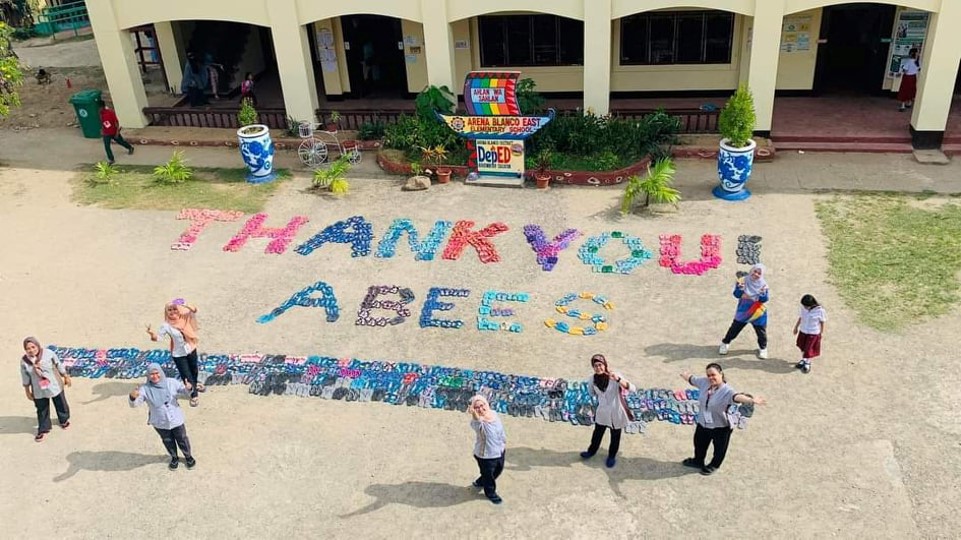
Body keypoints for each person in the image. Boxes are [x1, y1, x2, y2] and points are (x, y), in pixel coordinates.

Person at [680, 363, 766, 476]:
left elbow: (736, 397)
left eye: (713, 375)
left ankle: (715, 465)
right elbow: (693, 379)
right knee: (699, 443)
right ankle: (698, 461)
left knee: (719, 448)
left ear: (721, 374)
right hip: (703, 423)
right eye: (708, 375)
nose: (711, 377)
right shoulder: (704, 382)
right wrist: (686, 375)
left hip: (721, 426)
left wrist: (751, 400)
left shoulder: (727, 391)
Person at [129, 363, 196, 470]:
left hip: (176, 419)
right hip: (160, 422)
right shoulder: (145, 389)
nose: (155, 376)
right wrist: (132, 397)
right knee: (167, 440)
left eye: (157, 373)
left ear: (161, 372)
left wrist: (189, 388)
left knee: (182, 438)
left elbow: (184, 392)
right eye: (151, 374)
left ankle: (188, 456)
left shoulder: (171, 382)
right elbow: (134, 404)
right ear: (148, 375)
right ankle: (174, 457)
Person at [580, 354, 636, 468]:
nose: (598, 368)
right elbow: (591, 392)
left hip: (616, 411)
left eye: (600, 365)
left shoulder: (615, 376)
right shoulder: (592, 379)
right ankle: (591, 451)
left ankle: (611, 456)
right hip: (602, 412)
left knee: (615, 436)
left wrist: (618, 380)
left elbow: (632, 388)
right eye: (595, 366)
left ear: (605, 365)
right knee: (597, 433)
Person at [147, 300, 202, 407]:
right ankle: (193, 395)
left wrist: (184, 304)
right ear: (166, 312)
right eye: (169, 310)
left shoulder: (184, 317)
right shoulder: (166, 325)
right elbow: (159, 338)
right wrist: (152, 335)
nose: (172, 312)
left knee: (194, 369)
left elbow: (194, 310)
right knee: (186, 375)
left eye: (174, 309)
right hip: (178, 353)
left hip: (191, 348)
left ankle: (194, 385)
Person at [20, 337, 72, 442]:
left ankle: (63, 419)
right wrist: (27, 390)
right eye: (28, 348)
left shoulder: (49, 354)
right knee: (41, 408)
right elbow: (25, 376)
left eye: (33, 347)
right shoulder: (24, 361)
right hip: (38, 389)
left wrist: (65, 376)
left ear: (37, 345)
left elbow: (58, 364)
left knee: (60, 402)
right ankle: (43, 428)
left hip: (54, 385)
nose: (31, 350)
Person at [719, 263, 770, 359]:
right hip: (743, 310)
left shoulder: (763, 285)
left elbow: (765, 299)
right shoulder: (742, 280)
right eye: (755, 271)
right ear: (751, 270)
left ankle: (763, 348)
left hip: (758, 312)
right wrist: (745, 293)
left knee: (761, 332)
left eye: (759, 273)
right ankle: (725, 343)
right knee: (734, 328)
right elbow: (737, 293)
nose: (756, 274)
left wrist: (756, 296)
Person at [468, 394, 506, 504]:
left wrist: (503, 442)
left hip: (499, 450)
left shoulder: (493, 414)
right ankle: (490, 493)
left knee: (498, 470)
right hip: (486, 456)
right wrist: (474, 414)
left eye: (482, 405)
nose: (481, 409)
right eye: (477, 407)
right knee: (489, 476)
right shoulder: (479, 423)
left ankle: (480, 481)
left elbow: (500, 430)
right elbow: (476, 422)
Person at [793, 294, 827, 374]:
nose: (804, 307)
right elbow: (801, 317)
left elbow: (822, 322)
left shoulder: (820, 311)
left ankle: (807, 362)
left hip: (813, 332)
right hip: (803, 330)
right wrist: (796, 327)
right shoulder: (803, 309)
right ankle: (804, 359)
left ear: (811, 304)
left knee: (808, 349)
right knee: (802, 346)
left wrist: (821, 332)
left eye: (806, 306)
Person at [99, 100, 134, 165]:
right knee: (107, 146)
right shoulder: (100, 114)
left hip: (113, 131)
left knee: (120, 142)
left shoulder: (110, 113)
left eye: (98, 108)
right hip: (106, 133)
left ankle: (130, 147)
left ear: (102, 107)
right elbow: (102, 122)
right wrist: (102, 129)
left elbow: (116, 122)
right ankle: (111, 159)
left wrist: (117, 132)